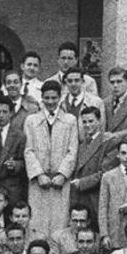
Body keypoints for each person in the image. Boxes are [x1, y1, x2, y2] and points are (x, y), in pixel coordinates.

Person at [24, 80, 79, 237]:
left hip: (60, 182)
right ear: (42, 98)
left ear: (60, 98)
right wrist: (39, 174)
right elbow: (29, 150)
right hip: (38, 181)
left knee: (59, 221)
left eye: (54, 98)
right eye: (46, 98)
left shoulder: (70, 120)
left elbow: (72, 150)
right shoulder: (32, 120)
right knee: (37, 221)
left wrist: (62, 174)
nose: (50, 102)